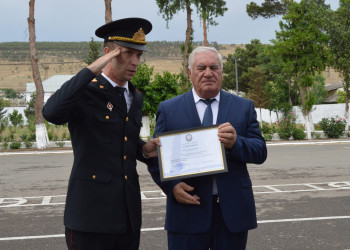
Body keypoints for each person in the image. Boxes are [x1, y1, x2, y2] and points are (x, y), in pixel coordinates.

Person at [42, 17, 160, 250]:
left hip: (127, 215)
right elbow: (52, 112)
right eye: (128, 53)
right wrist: (93, 68)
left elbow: (122, 139)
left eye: (139, 55)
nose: (135, 61)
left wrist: (143, 150)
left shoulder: (134, 97)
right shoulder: (86, 92)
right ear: (109, 53)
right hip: (90, 215)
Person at [147, 46, 267, 250]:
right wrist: (171, 186)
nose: (208, 73)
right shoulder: (169, 109)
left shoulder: (243, 107)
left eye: (214, 67)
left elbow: (260, 151)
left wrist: (236, 143)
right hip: (186, 212)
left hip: (232, 214)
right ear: (189, 73)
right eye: (201, 67)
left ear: (221, 72)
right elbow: (156, 156)